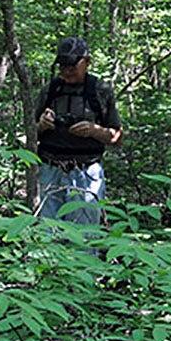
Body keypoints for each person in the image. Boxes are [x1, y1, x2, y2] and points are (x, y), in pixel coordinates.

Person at [34, 36, 123, 224]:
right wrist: (41, 126)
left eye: (72, 66)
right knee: (47, 233)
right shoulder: (50, 90)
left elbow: (117, 136)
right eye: (62, 66)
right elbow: (29, 134)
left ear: (87, 62)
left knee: (85, 237)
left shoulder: (100, 90)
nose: (67, 71)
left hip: (86, 173)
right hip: (50, 171)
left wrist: (94, 130)